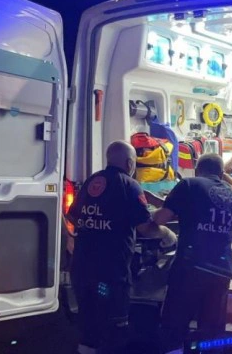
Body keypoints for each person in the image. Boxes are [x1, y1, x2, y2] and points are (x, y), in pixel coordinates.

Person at [66, 140, 177, 354]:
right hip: (111, 273)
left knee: (88, 329)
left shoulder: (92, 181)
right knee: (115, 329)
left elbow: (72, 216)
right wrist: (168, 234)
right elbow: (146, 228)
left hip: (82, 270)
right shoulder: (129, 185)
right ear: (129, 163)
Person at [155, 154, 232, 354]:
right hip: (222, 272)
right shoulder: (230, 193)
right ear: (221, 173)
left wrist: (149, 216)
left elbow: (160, 219)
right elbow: (230, 222)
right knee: (211, 333)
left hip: (191, 268)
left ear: (197, 170)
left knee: (174, 328)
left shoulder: (188, 184)